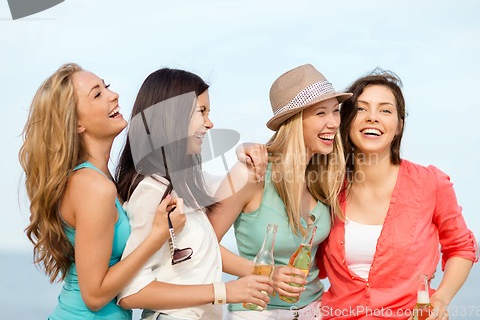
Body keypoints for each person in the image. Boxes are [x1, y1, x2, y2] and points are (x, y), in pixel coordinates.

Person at [317, 69, 478, 320]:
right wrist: (257, 153)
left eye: (385, 110)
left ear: (399, 125)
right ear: (346, 120)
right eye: (361, 109)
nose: (372, 118)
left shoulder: (430, 183)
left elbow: (460, 247)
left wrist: (440, 298)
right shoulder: (325, 186)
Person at [19, 63, 176, 320]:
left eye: (107, 87)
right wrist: (156, 237)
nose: (113, 95)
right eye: (97, 94)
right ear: (77, 123)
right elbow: (94, 296)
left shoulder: (98, 180)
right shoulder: (94, 187)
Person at [114, 67, 274, 320]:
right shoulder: (151, 192)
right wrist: (224, 292)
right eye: (202, 111)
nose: (210, 123)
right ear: (172, 117)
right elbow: (131, 292)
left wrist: (246, 151)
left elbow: (235, 183)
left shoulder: (185, 185)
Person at [208, 64, 352, 320]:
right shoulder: (250, 174)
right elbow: (201, 244)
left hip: (314, 311)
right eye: (320, 113)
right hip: (257, 312)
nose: (333, 123)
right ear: (293, 121)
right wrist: (265, 272)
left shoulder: (325, 176)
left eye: (335, 112)